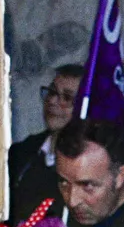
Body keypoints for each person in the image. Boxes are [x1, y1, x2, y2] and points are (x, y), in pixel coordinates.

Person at [9, 65, 82, 194]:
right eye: (52, 92)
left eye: (67, 98)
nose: (52, 101)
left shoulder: (87, 164)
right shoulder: (22, 152)